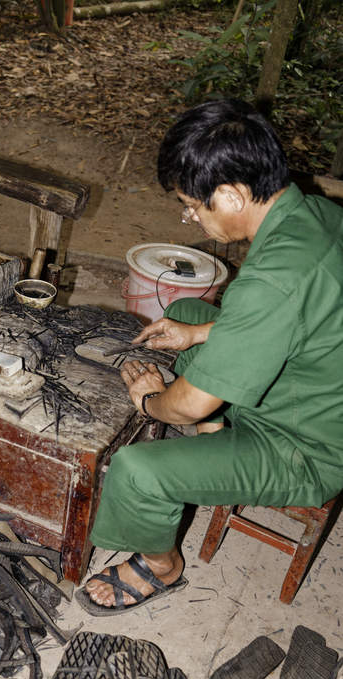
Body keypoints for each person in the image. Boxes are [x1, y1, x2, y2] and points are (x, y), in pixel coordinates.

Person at [75, 97, 343, 616]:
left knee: (137, 472)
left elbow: (190, 403)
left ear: (232, 194)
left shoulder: (273, 282)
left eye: (193, 206)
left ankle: (162, 567)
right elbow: (300, 315)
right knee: (188, 314)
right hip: (317, 385)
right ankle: (215, 443)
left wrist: (152, 401)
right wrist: (197, 337)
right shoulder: (318, 215)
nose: (192, 218)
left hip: (306, 446)